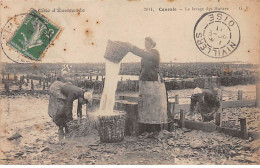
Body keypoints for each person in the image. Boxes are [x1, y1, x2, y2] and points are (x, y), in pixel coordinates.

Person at [127, 37, 169, 133]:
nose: (145, 44)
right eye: (145, 42)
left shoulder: (154, 53)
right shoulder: (145, 54)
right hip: (145, 82)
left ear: (152, 44)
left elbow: (143, 53)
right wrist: (140, 76)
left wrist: (131, 47)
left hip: (153, 82)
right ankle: (146, 128)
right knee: (145, 104)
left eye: (147, 43)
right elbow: (143, 67)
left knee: (154, 104)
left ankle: (156, 128)